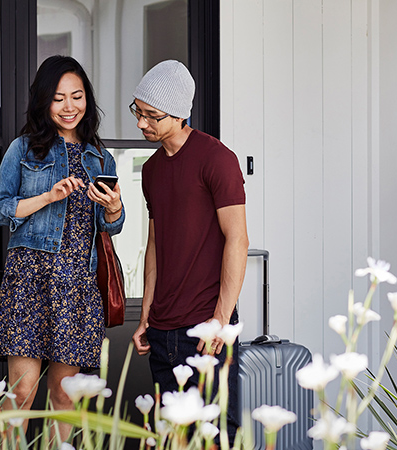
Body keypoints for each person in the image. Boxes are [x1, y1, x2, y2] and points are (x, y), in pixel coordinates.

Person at [0, 55, 124, 439]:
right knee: (20, 395)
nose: (69, 107)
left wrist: (114, 209)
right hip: (30, 282)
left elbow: (109, 225)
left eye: (77, 96)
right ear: (44, 101)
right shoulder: (23, 149)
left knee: (65, 398)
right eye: (59, 98)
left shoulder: (100, 156)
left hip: (77, 285)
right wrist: (47, 197)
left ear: (87, 100)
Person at [130, 60, 249, 442]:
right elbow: (155, 244)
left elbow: (238, 241)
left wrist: (220, 320)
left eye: (151, 115)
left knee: (214, 435)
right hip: (162, 330)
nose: (141, 123)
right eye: (138, 111)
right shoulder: (150, 170)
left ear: (179, 114)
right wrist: (147, 312)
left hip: (205, 328)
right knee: (171, 436)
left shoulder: (217, 160)